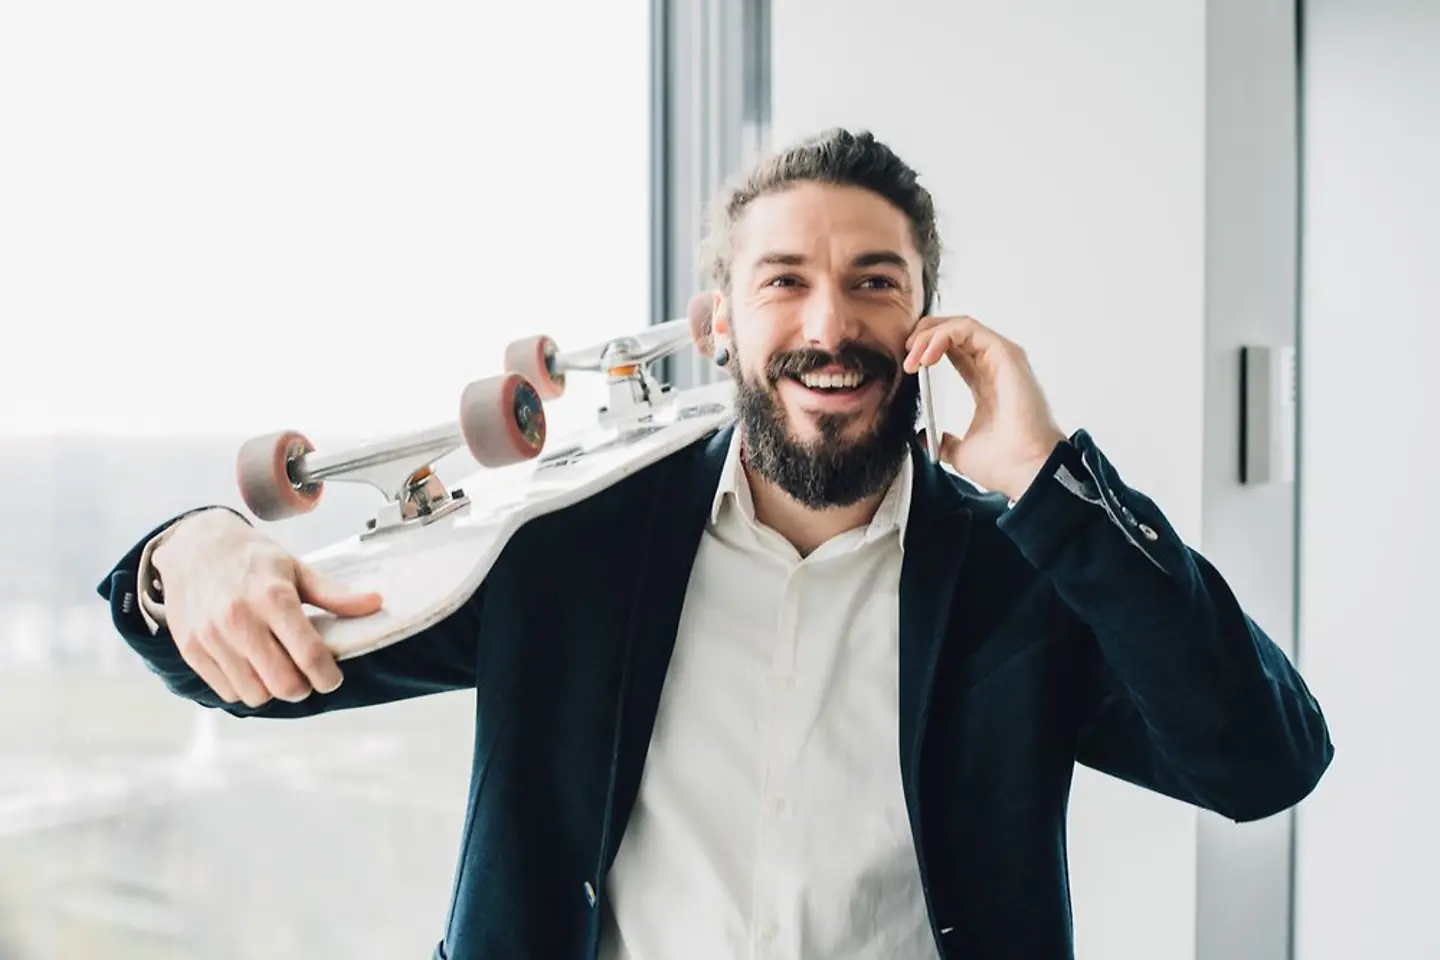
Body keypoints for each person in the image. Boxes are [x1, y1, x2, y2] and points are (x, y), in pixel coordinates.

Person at [95, 127, 1333, 960]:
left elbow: (1264, 761)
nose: (829, 323)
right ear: (721, 324)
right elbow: (250, 664)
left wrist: (1060, 481)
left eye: (875, 282)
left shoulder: (1028, 573)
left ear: (925, 322)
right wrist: (190, 551)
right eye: (784, 280)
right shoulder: (563, 550)